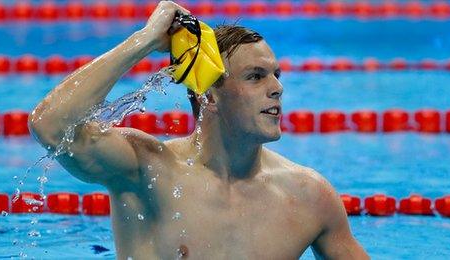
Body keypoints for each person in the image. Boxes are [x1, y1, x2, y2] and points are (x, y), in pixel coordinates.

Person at [29, 1, 369, 259]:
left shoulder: (309, 198)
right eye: (255, 76)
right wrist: (145, 39)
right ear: (210, 96)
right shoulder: (144, 170)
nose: (277, 87)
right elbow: (49, 124)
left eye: (276, 74)